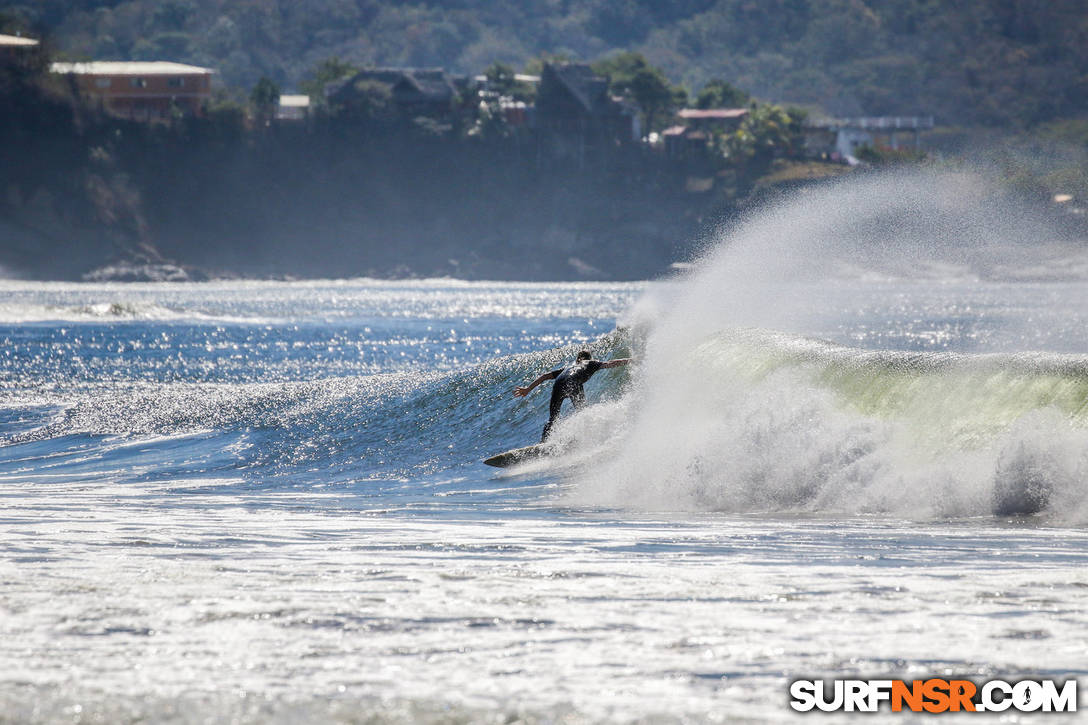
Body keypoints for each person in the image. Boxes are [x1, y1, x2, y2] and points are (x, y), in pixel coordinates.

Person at [514, 350, 633, 442]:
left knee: (553, 418)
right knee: (582, 411)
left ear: (578, 359)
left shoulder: (567, 368)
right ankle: (585, 438)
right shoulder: (591, 363)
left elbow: (545, 376)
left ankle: (543, 443)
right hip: (573, 384)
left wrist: (527, 389)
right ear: (587, 358)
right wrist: (631, 360)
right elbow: (611, 363)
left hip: (558, 385)